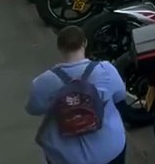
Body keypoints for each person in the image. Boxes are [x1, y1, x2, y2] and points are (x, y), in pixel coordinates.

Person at [27, 26, 128, 164]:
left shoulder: (43, 82)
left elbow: (34, 109)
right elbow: (120, 96)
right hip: (110, 149)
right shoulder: (106, 70)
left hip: (66, 157)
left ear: (59, 47)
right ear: (85, 43)